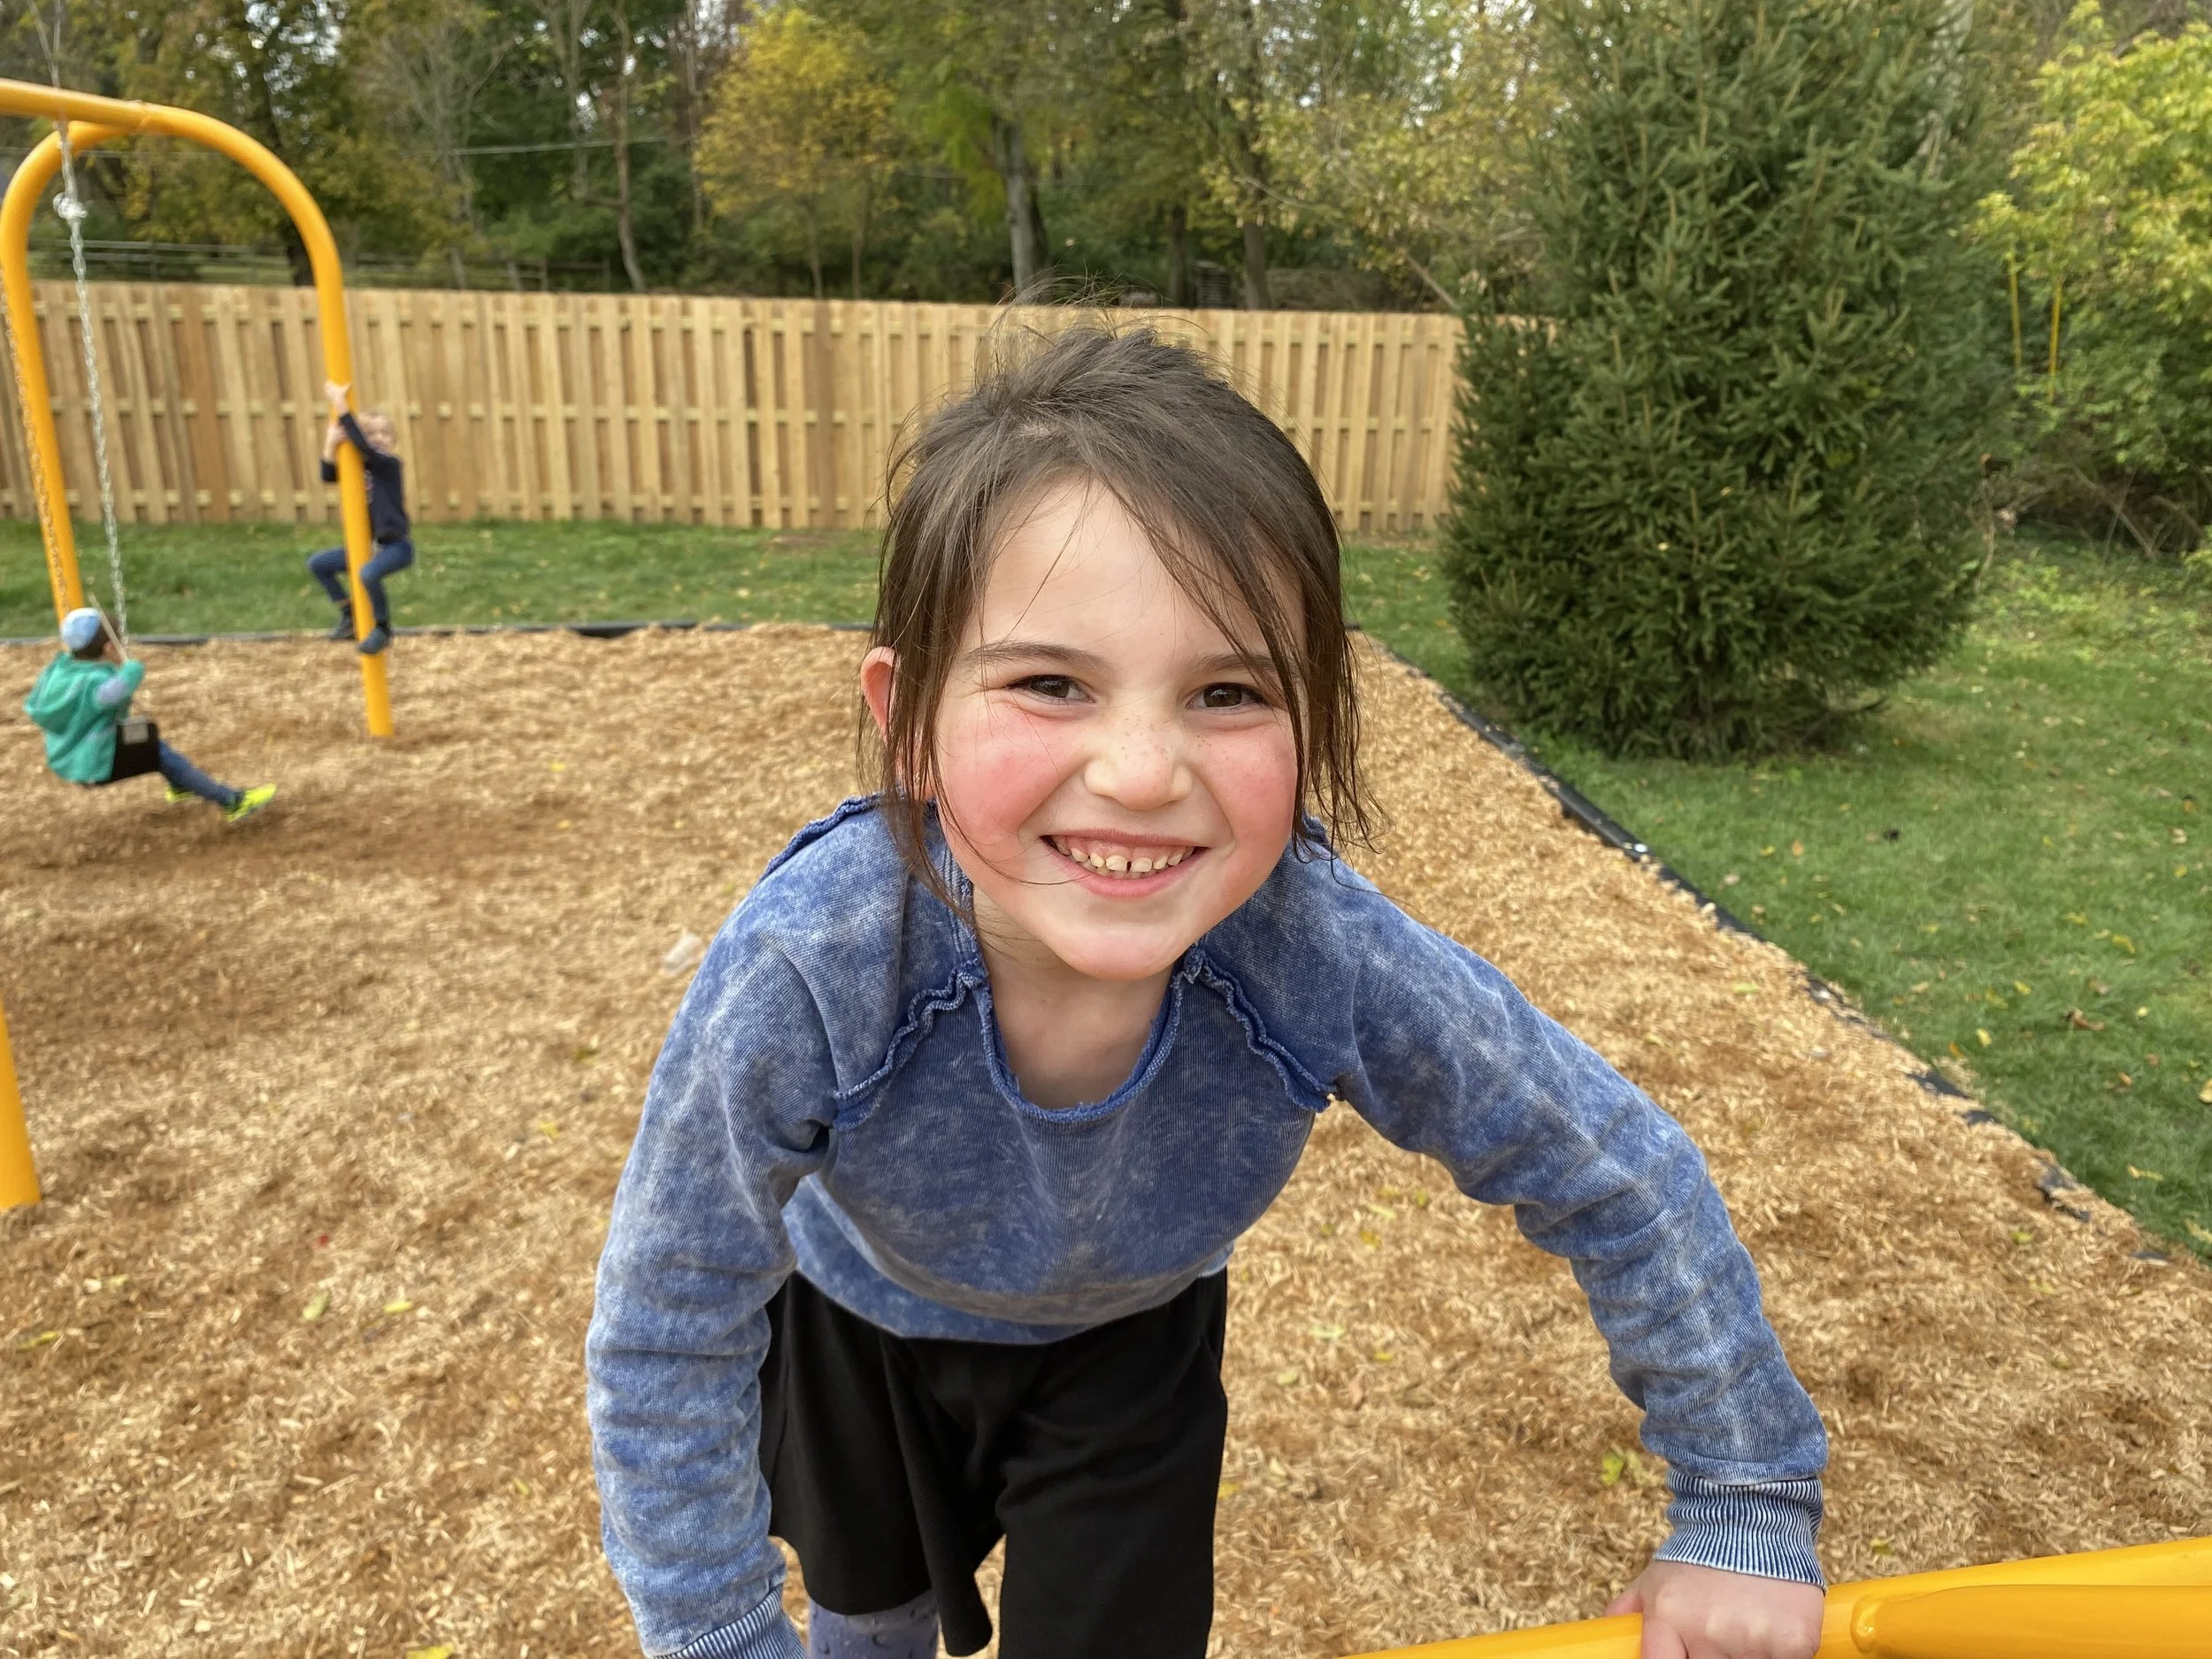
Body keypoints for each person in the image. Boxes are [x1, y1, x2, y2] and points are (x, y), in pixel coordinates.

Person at [586, 328, 1829, 1659]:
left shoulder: (1320, 953)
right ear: (908, 719)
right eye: (1050, 682)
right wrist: (718, 1636)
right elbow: (668, 1321)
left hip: (1131, 1347)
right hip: (859, 1319)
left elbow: (1616, 1170)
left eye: (1227, 691)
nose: (1137, 769)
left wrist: (1744, 1497)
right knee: (868, 1621)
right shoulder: (816, 961)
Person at [25, 607, 274, 824]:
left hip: (67, 753)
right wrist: (131, 670)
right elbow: (110, 695)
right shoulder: (94, 682)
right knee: (157, 752)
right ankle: (232, 802)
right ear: (110, 648)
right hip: (95, 763)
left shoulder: (62, 670)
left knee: (145, 733)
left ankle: (179, 784)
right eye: (120, 643)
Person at [308, 380, 412, 657]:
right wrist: (331, 444)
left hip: (396, 547)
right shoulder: (360, 470)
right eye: (371, 432)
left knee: (367, 573)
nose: (379, 438)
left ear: (394, 441)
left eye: (385, 434)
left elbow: (366, 450)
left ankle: (383, 628)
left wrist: (341, 406)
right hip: (366, 548)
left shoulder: (389, 466)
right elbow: (328, 475)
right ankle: (349, 615)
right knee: (319, 564)